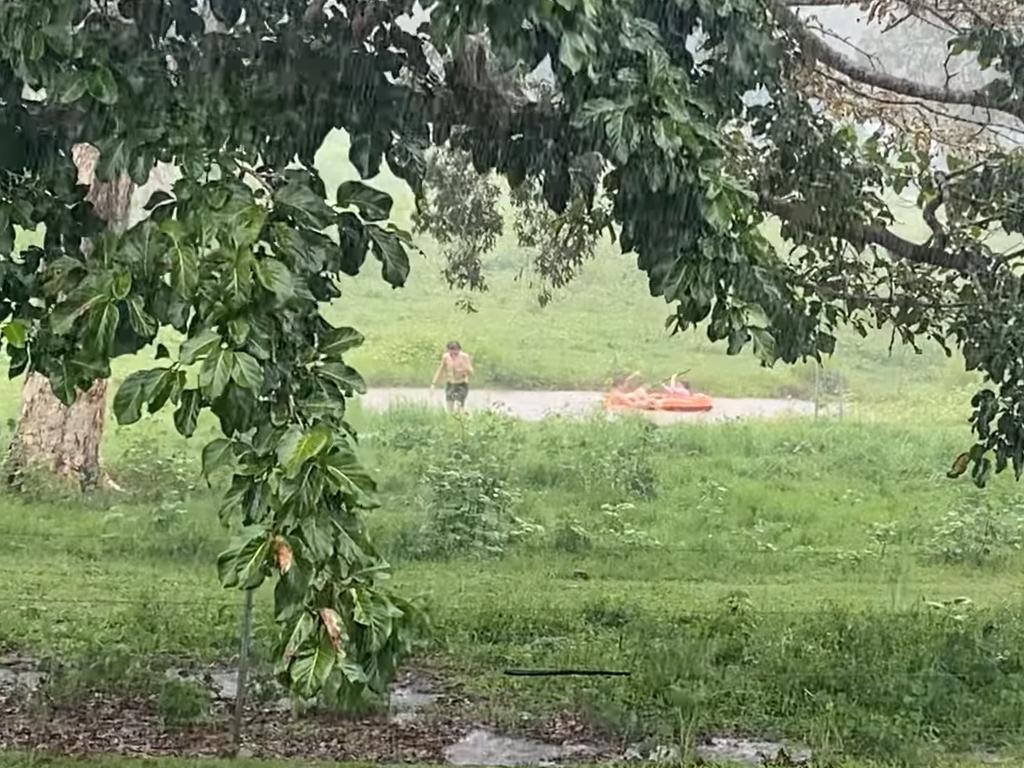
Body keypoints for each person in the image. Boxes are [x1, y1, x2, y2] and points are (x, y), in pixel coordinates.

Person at [431, 341, 474, 413]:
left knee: (459, 406)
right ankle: (450, 421)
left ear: (459, 350)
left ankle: (461, 419)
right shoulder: (446, 357)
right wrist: (433, 383)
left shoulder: (464, 357)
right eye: (451, 352)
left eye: (456, 353)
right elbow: (440, 370)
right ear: (448, 350)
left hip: (462, 384)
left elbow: (471, 371)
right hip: (450, 384)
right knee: (449, 407)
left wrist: (464, 369)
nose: (454, 355)